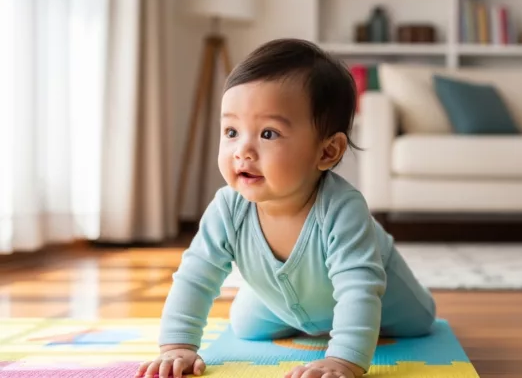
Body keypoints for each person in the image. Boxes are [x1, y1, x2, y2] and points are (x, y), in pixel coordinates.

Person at [135, 38, 436, 378]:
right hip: (279, 304)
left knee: (421, 322)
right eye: (231, 131)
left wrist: (344, 360)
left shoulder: (342, 209)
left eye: (268, 134)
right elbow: (195, 276)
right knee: (244, 326)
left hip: (387, 298)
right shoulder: (227, 209)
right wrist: (177, 346)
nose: (242, 150)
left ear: (327, 152)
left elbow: (359, 289)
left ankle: (369, 306)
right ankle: (292, 307)